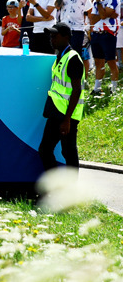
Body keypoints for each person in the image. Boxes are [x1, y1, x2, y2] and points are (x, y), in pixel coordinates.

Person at [39, 22, 84, 171]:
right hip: (56, 111)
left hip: (67, 116)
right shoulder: (60, 56)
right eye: (51, 37)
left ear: (66, 37)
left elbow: (76, 90)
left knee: (68, 151)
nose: (52, 40)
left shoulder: (73, 58)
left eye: (55, 36)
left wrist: (67, 120)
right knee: (46, 149)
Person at [87, 0, 120, 93]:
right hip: (97, 33)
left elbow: (102, 15)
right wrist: (106, 13)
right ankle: (97, 88)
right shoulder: (96, 0)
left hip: (108, 33)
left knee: (111, 61)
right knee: (98, 61)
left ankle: (114, 88)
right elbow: (94, 18)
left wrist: (101, 6)